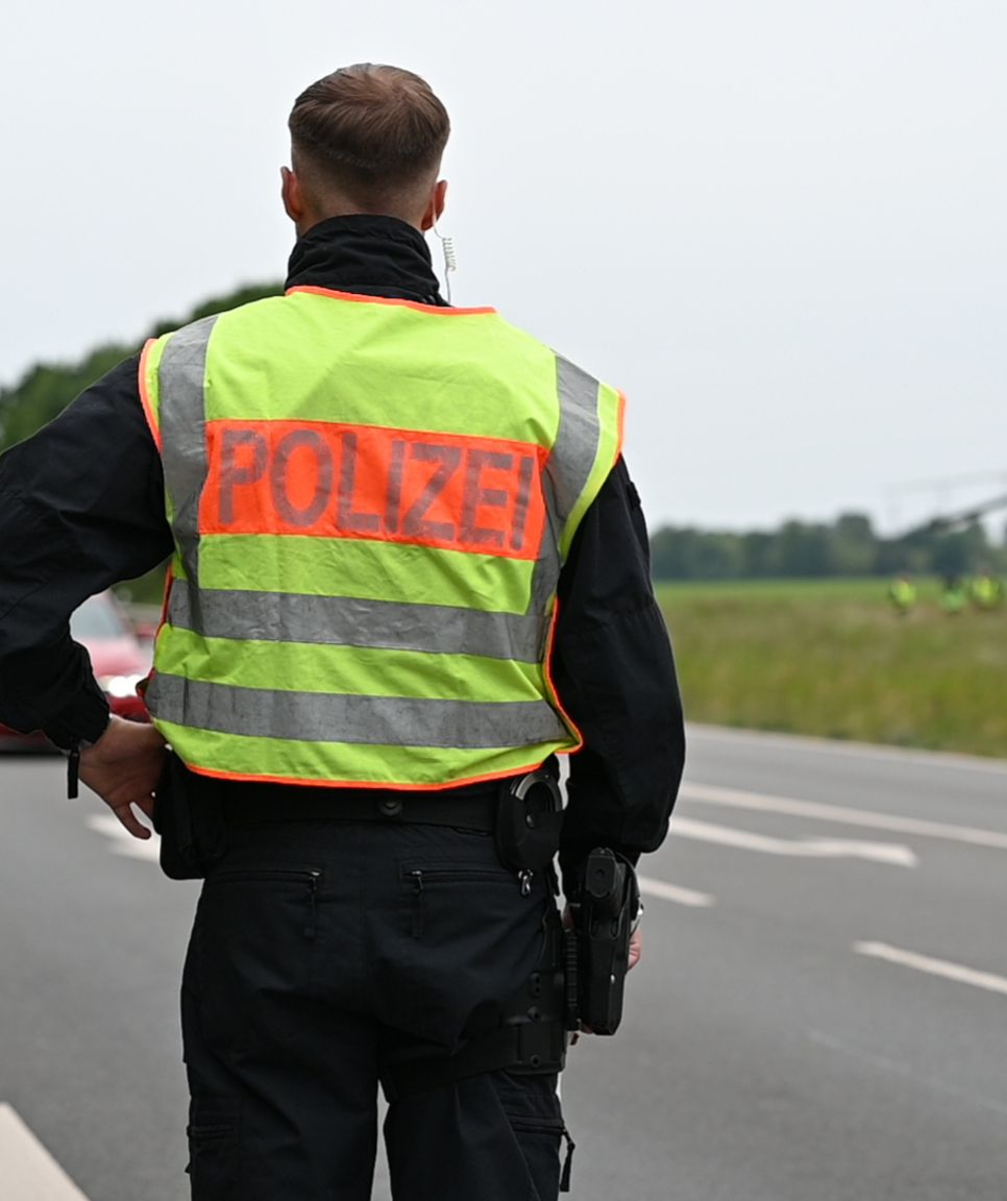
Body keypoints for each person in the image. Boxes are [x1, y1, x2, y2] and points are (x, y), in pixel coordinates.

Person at [0, 64, 685, 1200]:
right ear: (437, 203)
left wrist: (89, 729)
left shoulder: (196, 382)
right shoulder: (552, 407)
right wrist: (603, 866)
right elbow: (626, 683)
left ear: (290, 194)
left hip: (270, 898)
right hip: (482, 898)